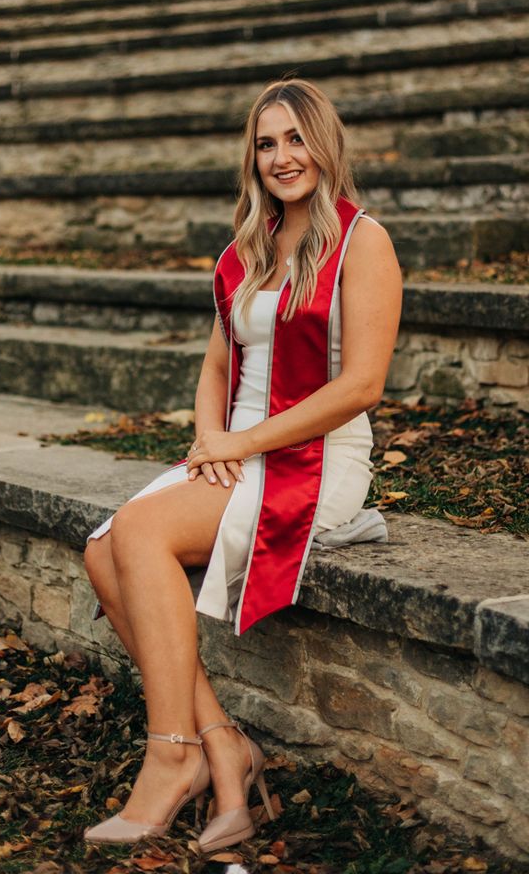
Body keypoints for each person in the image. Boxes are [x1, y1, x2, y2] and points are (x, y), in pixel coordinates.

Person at [82, 77, 403, 854]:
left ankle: (171, 757)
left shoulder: (363, 241)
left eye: (295, 139)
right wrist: (208, 438)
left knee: (142, 532)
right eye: (267, 144)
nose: (281, 157)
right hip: (239, 449)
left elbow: (362, 384)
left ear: (324, 144)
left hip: (315, 458)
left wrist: (243, 445)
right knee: (102, 550)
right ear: (251, 158)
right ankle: (225, 748)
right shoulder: (247, 251)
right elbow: (217, 371)